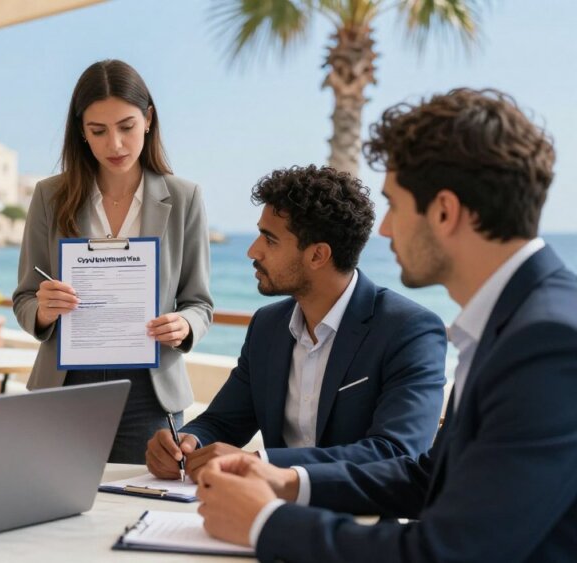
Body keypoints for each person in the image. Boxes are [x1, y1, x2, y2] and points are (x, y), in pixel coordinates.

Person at [196, 88, 577, 562]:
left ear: (444, 211)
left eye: (395, 205)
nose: (385, 230)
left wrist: (265, 523)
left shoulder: (551, 341)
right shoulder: (516, 321)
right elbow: (429, 478)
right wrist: (288, 480)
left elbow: (451, 552)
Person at [146, 165, 446, 479]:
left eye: (270, 240)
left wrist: (260, 463)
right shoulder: (267, 325)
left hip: (358, 520)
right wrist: (188, 442)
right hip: (263, 511)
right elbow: (223, 422)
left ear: (318, 256)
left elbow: (396, 453)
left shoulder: (409, 331)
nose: (253, 250)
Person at [13, 59, 213, 463]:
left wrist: (184, 325)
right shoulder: (49, 197)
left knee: (141, 508)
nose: (115, 145)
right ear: (81, 132)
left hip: (151, 393)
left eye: (126, 127)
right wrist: (44, 310)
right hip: (66, 387)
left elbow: (200, 303)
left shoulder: (185, 197)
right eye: (98, 131)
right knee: (55, 513)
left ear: (149, 120)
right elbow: (24, 299)